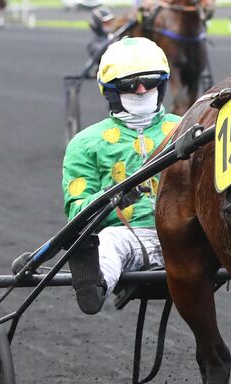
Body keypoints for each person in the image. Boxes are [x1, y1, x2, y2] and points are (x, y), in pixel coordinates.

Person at [25, 37, 181, 314]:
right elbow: (77, 213)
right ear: (110, 91)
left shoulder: (189, 128)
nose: (142, 89)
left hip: (190, 233)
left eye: (150, 80)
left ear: (163, 82)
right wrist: (116, 198)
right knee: (109, 242)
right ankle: (95, 284)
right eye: (129, 84)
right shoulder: (86, 143)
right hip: (132, 238)